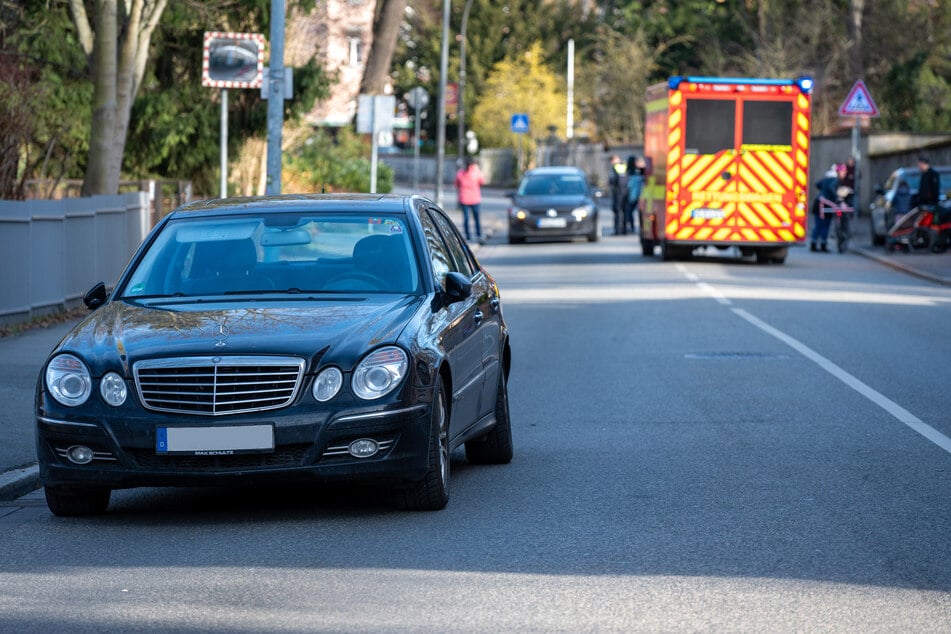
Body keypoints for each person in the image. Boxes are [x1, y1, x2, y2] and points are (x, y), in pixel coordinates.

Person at [811, 166, 842, 252]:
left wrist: (823, 191)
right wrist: (836, 197)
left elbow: (817, 184)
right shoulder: (835, 180)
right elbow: (831, 188)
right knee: (825, 225)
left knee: (818, 225)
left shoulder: (825, 179)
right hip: (827, 204)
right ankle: (823, 245)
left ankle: (813, 243)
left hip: (818, 203)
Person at [454, 156, 485, 243]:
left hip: (464, 199)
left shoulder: (460, 173)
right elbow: (482, 181)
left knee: (466, 218)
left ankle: (468, 236)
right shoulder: (476, 172)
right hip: (475, 198)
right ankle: (478, 235)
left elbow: (456, 183)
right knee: (476, 218)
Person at [625, 156, 646, 235]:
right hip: (635, 195)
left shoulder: (641, 171)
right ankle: (633, 227)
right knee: (630, 212)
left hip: (638, 196)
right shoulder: (633, 172)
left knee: (636, 212)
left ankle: (636, 227)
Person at [608, 155, 628, 235]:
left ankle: (617, 230)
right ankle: (624, 229)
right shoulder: (625, 166)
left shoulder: (615, 168)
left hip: (618, 192)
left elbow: (612, 180)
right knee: (625, 211)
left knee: (617, 211)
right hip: (626, 192)